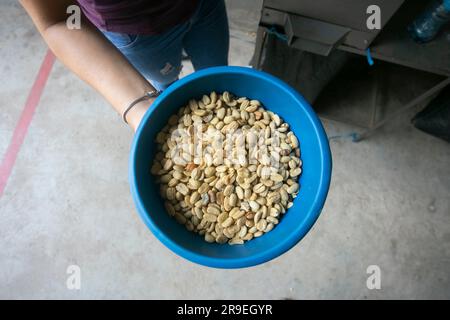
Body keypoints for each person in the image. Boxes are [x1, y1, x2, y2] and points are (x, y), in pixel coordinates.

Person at [20, 0, 229, 130]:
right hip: (140, 34)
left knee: (219, 74)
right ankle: (165, 91)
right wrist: (140, 106)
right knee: (166, 80)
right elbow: (61, 19)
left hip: (205, 5)